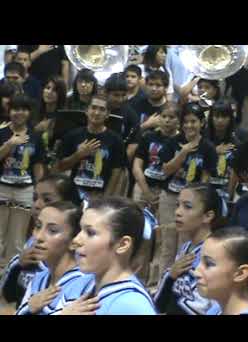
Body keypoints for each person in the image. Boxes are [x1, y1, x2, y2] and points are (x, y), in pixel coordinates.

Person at [57, 197, 157, 315]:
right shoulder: (78, 283)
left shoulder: (133, 306)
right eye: (80, 230)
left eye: (90, 233)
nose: (76, 240)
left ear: (122, 244)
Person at [0, 174, 81, 311]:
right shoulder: (37, 271)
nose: (37, 205)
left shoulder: (82, 279)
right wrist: (18, 265)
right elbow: (7, 298)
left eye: (47, 199)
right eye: (34, 198)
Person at [154, 183, 224, 315]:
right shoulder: (186, 247)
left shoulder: (216, 253)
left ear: (208, 216)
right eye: (177, 205)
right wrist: (171, 275)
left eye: (187, 207)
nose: (177, 212)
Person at [132, 102, 180, 285]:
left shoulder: (181, 143)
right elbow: (137, 166)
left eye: (172, 117)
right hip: (143, 188)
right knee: (141, 235)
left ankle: (154, 282)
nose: (167, 121)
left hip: (168, 193)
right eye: (164, 116)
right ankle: (136, 277)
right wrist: (146, 192)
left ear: (179, 121)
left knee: (163, 239)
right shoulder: (148, 137)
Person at [15, 201, 83, 315]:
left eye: (52, 231)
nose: (39, 237)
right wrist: (29, 307)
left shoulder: (83, 283)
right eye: (38, 226)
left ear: (74, 241)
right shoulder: (38, 279)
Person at [0, 95, 45, 261]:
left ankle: (9, 276)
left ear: (29, 112)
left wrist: (39, 193)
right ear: (9, 111)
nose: (19, 113)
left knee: (17, 239)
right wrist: (9, 144)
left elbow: (38, 166)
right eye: (15, 109)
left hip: (25, 190)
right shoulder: (2, 133)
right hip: (2, 188)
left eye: (24, 109)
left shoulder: (36, 137)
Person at [56, 94, 125, 199]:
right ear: (86, 110)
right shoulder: (72, 135)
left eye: (102, 109)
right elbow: (60, 167)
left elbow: (116, 173)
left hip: (99, 196)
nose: (96, 113)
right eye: (93, 108)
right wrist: (78, 155)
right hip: (74, 195)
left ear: (107, 114)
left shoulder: (116, 140)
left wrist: (105, 199)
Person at [194, 226, 248, 315]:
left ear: (240, 273)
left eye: (209, 264)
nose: (196, 272)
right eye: (200, 261)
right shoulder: (217, 309)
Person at [206, 99, 248, 202]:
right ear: (211, 118)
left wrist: (229, 197)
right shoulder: (203, 138)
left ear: (230, 119)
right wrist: (214, 151)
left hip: (227, 189)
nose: (220, 120)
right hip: (205, 188)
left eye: (224, 117)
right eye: (216, 116)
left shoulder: (237, 142)